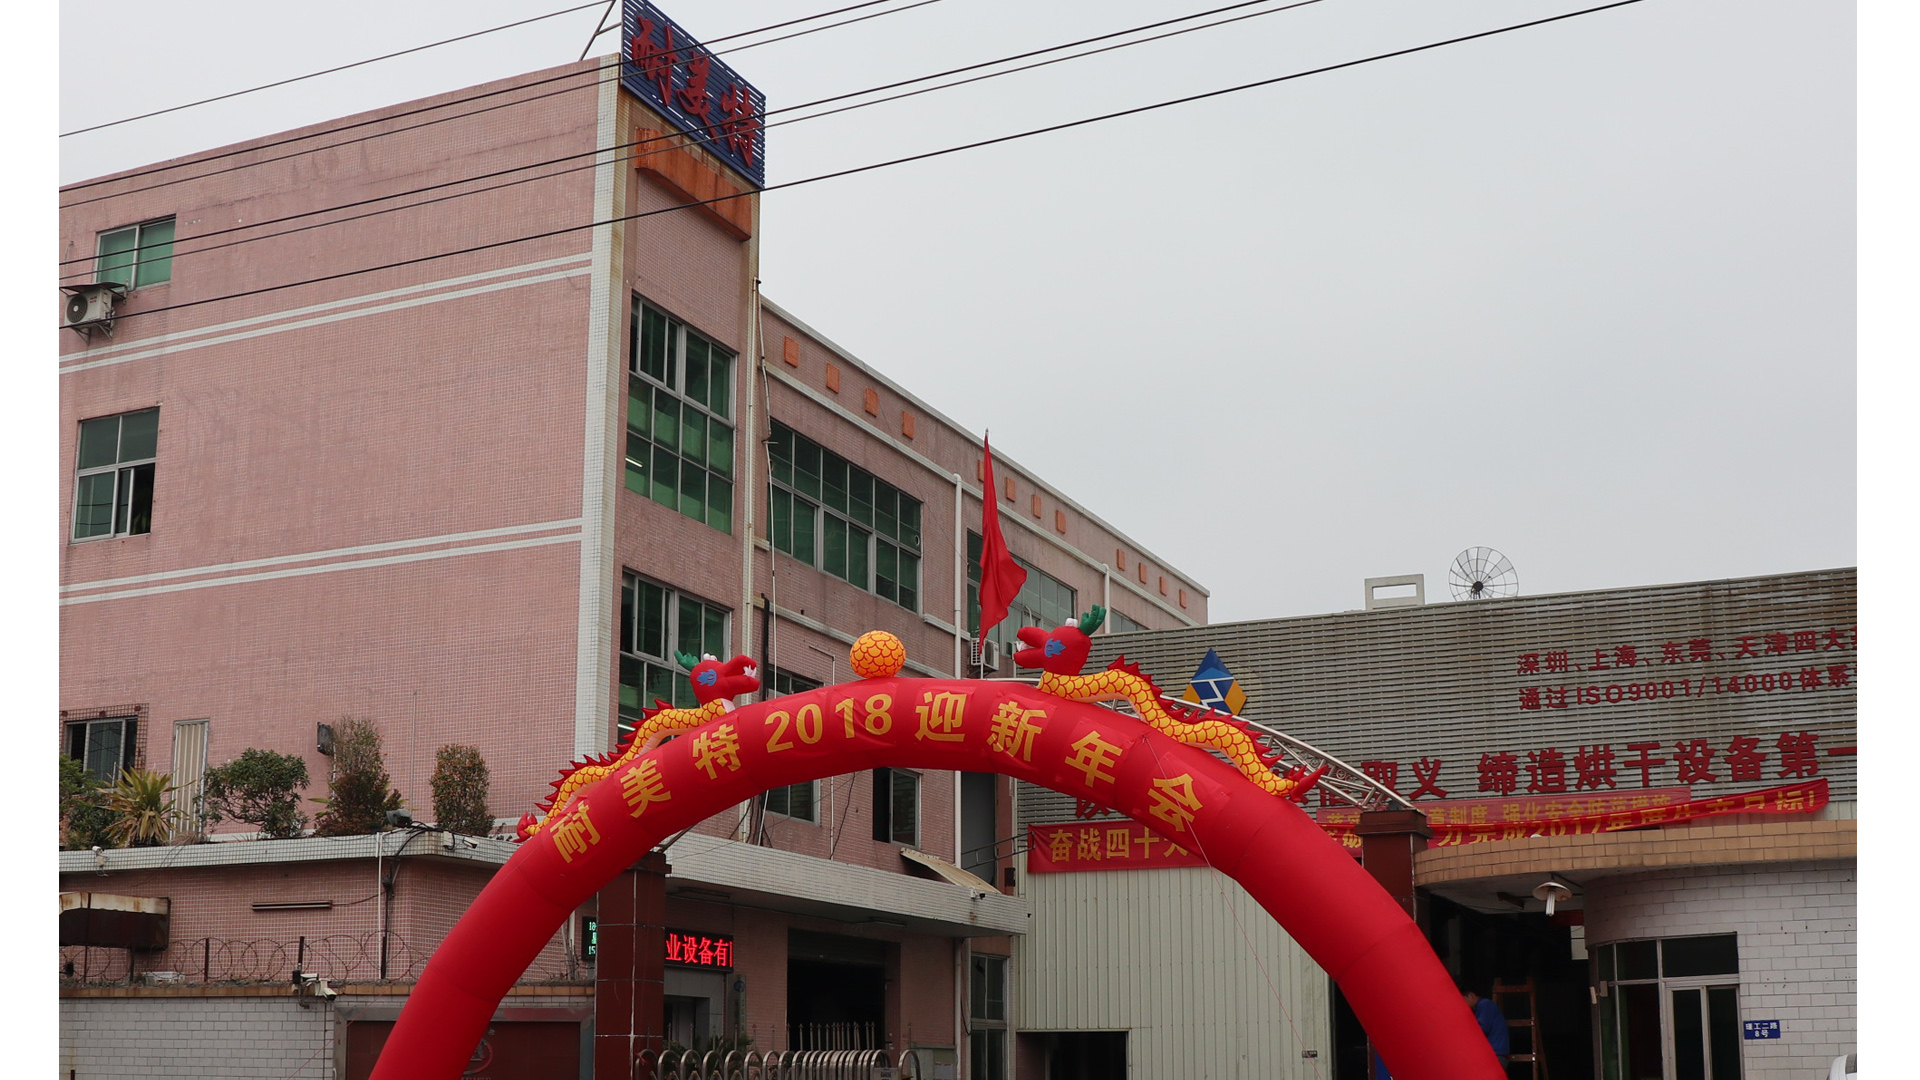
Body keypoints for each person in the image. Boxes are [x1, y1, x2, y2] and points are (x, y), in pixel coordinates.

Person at [1458, 976, 1511, 1059]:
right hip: (1495, 1053)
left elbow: (1482, 1028)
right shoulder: (1480, 1007)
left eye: (1463, 1000)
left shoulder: (1485, 1005)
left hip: (1495, 1053)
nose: (1462, 1003)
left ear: (1471, 995)